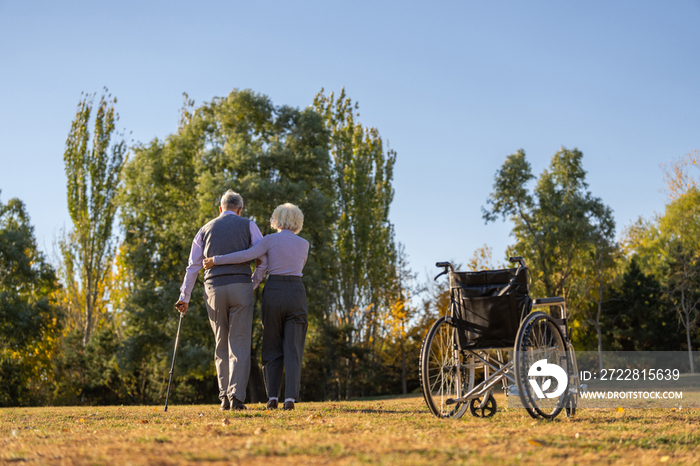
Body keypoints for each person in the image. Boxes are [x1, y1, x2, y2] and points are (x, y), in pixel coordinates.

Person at [203, 203, 309, 411]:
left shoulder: (269, 240)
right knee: (293, 347)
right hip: (297, 292)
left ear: (276, 219)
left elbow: (245, 256)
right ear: (297, 222)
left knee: (271, 344)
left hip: (274, 291)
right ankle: (290, 399)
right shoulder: (304, 243)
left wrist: (216, 260)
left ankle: (272, 397)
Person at [175, 190, 267, 411]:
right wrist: (252, 283)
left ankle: (224, 397)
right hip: (240, 287)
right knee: (240, 342)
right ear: (240, 209)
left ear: (220, 209)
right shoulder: (249, 225)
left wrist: (184, 297)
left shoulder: (204, 229)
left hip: (213, 289)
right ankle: (236, 397)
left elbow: (193, 266)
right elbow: (263, 259)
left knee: (220, 342)